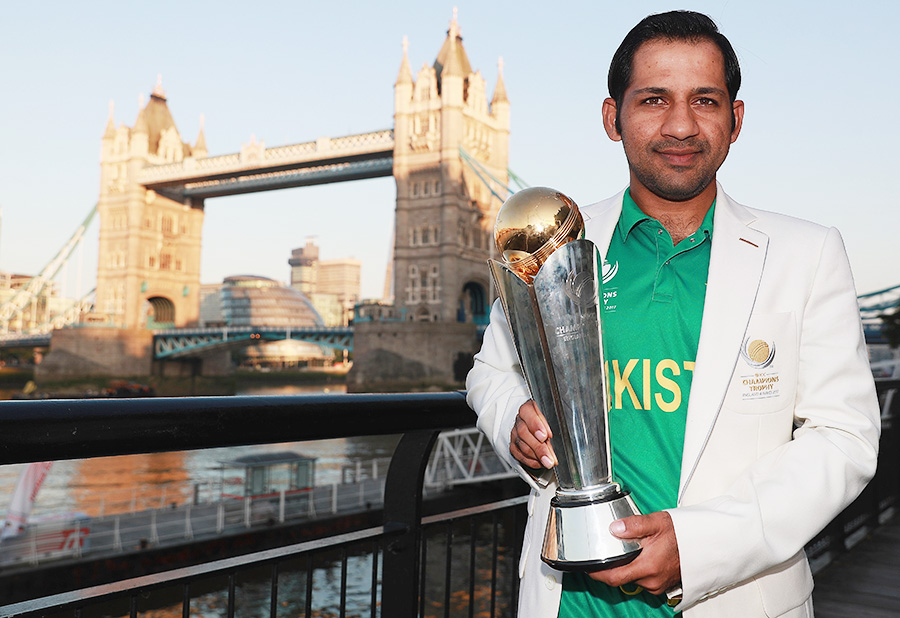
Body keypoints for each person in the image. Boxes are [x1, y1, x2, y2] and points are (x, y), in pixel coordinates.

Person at [466, 10, 880, 618]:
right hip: (566, 604)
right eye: (654, 99)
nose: (681, 125)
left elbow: (844, 440)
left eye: (705, 101)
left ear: (735, 121)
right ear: (613, 118)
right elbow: (489, 373)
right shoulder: (553, 238)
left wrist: (699, 545)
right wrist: (513, 424)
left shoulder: (806, 254)